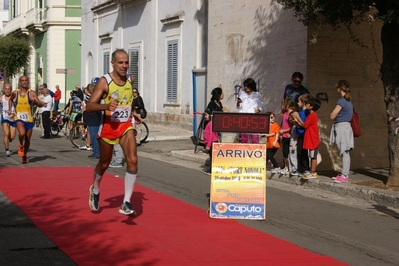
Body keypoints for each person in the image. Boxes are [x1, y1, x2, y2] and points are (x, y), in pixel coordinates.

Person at [86, 48, 137, 215]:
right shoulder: (104, 81)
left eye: (126, 62)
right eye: (120, 62)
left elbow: (128, 99)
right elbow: (90, 106)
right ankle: (95, 189)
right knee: (104, 164)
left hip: (125, 126)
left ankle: (126, 202)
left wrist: (134, 112)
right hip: (108, 127)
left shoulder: (130, 79)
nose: (124, 66)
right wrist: (106, 106)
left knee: (133, 159)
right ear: (113, 63)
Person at [8, 76, 47, 164]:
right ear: (20, 82)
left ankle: (24, 155)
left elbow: (39, 104)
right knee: (22, 133)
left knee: (28, 138)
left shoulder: (32, 93)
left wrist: (41, 104)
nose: (24, 82)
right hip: (18, 118)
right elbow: (10, 100)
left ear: (28, 82)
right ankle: (21, 145)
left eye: (26, 80)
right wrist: (10, 109)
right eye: (22, 81)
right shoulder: (15, 93)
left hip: (29, 119)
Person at [330, 80, 354, 183]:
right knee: (345, 151)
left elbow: (332, 115)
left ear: (340, 88)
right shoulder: (349, 101)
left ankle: (344, 175)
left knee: (344, 152)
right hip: (346, 126)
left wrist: (336, 115)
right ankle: (344, 173)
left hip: (342, 127)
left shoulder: (341, 101)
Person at [293, 97, 321, 179]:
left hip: (313, 138)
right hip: (310, 137)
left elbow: (305, 125)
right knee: (311, 154)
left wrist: (298, 117)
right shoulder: (310, 114)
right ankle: (311, 171)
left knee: (313, 155)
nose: (306, 105)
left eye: (308, 104)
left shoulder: (313, 115)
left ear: (311, 106)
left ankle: (313, 171)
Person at [290, 94, 312, 177]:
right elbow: (299, 124)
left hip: (304, 134)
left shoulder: (306, 112)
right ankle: (300, 169)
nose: (298, 103)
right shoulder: (300, 112)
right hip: (299, 134)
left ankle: (306, 168)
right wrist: (294, 122)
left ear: (303, 103)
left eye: (299, 101)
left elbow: (304, 124)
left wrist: (297, 119)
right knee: (299, 152)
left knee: (303, 152)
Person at [236, 78, 264, 143]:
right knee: (244, 137)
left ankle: (255, 151)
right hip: (244, 118)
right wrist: (238, 103)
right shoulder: (242, 94)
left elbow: (262, 106)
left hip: (253, 118)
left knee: (255, 137)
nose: (246, 88)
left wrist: (258, 110)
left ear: (251, 86)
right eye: (245, 86)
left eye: (247, 86)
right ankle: (245, 151)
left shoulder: (257, 95)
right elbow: (238, 107)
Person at [279, 98, 296, 175]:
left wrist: (284, 131)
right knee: (284, 153)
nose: (283, 106)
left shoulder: (291, 114)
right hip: (283, 136)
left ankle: (289, 167)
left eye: (284, 104)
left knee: (289, 153)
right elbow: (282, 124)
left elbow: (292, 127)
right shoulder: (284, 114)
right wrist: (280, 133)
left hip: (288, 135)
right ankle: (286, 167)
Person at [84, 81, 100, 159]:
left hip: (94, 120)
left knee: (94, 137)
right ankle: (95, 152)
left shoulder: (95, 97)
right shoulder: (94, 96)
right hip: (92, 119)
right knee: (93, 136)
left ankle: (97, 153)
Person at [1, 83, 16, 157]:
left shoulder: (14, 98)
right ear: (4, 90)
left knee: (12, 136)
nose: (7, 90)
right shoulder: (1, 98)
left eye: (8, 89)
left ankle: (9, 139)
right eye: (6, 89)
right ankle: (7, 149)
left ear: (11, 90)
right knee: (6, 133)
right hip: (4, 117)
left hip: (13, 118)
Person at [202, 109, 219, 175]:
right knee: (212, 157)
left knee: (212, 157)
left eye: (206, 115)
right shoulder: (210, 123)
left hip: (212, 143)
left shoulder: (211, 123)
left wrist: (208, 145)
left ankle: (211, 170)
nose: (205, 116)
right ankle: (211, 169)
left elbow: (212, 135)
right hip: (211, 142)